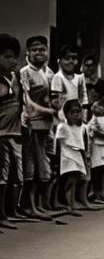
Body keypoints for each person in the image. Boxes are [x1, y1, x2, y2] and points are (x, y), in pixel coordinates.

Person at [19, 36, 56, 217]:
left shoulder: (49, 73)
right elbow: (28, 102)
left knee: (46, 166)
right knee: (31, 166)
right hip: (33, 123)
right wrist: (49, 111)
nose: (38, 53)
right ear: (28, 52)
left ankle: (41, 204)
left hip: (48, 125)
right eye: (34, 50)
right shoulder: (25, 72)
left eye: (42, 49)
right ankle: (29, 206)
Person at [0, 34, 24, 229]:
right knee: (1, 178)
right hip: (1, 134)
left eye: (15, 56)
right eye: (7, 56)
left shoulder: (15, 78)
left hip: (15, 133)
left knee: (14, 178)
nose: (13, 60)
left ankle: (10, 212)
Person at [54, 99, 89, 216]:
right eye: (72, 112)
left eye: (78, 112)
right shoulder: (62, 127)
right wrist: (57, 158)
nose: (76, 114)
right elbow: (59, 144)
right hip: (66, 155)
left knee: (75, 179)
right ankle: (69, 204)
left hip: (77, 155)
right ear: (66, 113)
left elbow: (83, 142)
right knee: (71, 179)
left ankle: (71, 204)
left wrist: (85, 155)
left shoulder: (82, 127)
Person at [51, 45, 88, 121]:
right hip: (62, 119)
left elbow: (84, 99)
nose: (70, 61)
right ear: (60, 61)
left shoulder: (80, 78)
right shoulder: (58, 77)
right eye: (67, 58)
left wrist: (83, 118)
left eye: (74, 58)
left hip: (78, 118)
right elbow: (56, 103)